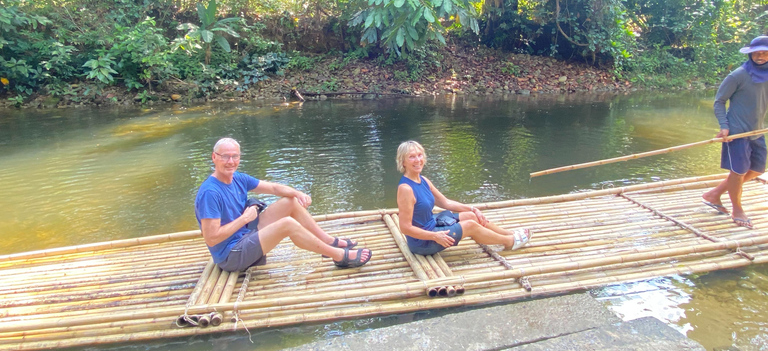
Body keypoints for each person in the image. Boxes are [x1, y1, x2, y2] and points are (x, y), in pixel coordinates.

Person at [195, 138, 372, 271]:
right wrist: (244, 219)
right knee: (287, 224)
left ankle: (328, 243)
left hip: (245, 234)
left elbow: (272, 187)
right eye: (225, 157)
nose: (231, 161)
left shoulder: (237, 178)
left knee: (290, 202)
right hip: (231, 255)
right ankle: (339, 256)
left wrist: (297, 192)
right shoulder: (210, 193)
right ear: (214, 157)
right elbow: (212, 238)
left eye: (235, 156)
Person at [395, 140, 532, 255]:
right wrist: (435, 236)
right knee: (470, 225)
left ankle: (509, 233)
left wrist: (473, 208)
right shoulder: (406, 189)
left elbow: (445, 202)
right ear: (403, 162)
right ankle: (510, 241)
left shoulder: (423, 180)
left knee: (471, 216)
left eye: (420, 155)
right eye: (412, 157)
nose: (418, 160)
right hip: (423, 242)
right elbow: (405, 228)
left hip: (432, 224)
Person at [702, 36, 768, 229]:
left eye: (765, 52)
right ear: (750, 54)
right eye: (757, 52)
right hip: (737, 132)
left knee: (757, 170)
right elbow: (719, 101)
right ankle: (737, 209)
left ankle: (714, 194)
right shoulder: (738, 75)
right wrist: (724, 126)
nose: (760, 56)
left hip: (757, 130)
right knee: (738, 172)